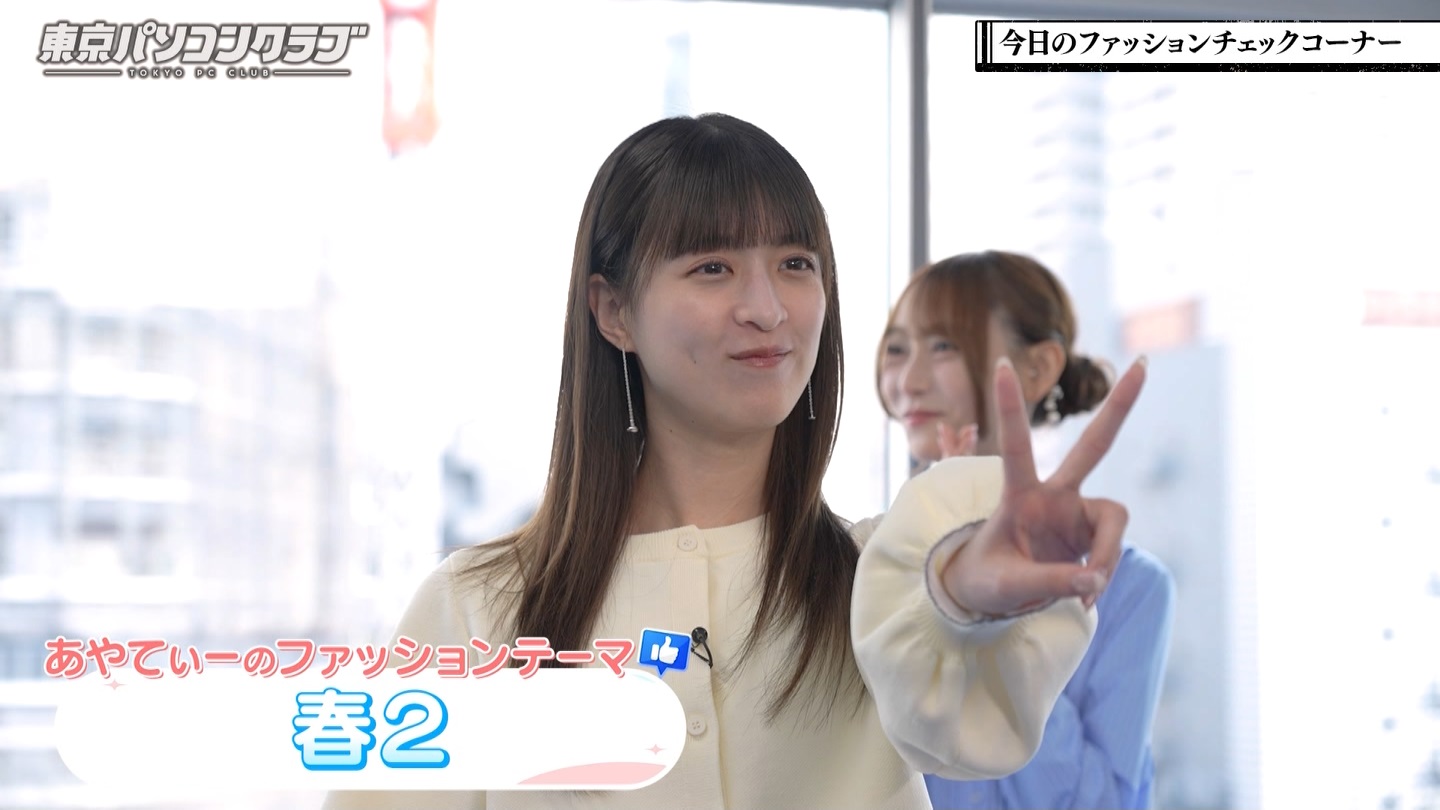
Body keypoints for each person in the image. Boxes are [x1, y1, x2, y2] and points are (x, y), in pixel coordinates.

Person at [324, 116, 1147, 810]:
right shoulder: (475, 609)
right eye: (712, 268)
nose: (766, 308)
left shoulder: (881, 580)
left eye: (795, 264)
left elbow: (967, 733)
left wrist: (962, 598)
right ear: (613, 311)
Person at [876, 250, 1175, 810]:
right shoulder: (868, 563)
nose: (908, 380)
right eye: (896, 349)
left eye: (943, 346)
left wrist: (1007, 617)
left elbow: (1100, 804)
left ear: (1037, 369)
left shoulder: (1129, 588)